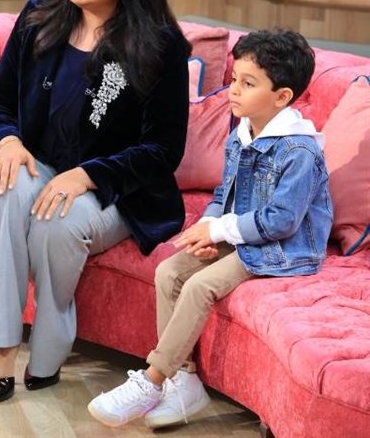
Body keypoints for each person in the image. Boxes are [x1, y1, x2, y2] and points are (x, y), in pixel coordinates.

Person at [0, 0, 190, 404]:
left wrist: (89, 175)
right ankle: (2, 345)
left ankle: (49, 351)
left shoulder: (160, 47)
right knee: (4, 186)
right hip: (40, 165)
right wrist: (7, 141)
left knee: (57, 223)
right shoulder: (38, 19)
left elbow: (164, 150)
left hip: (119, 190)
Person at [88, 29, 332, 429]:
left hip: (284, 247)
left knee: (200, 286)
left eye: (248, 84)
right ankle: (184, 381)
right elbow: (224, 194)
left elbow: (282, 221)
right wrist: (206, 227)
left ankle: (152, 380)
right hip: (242, 232)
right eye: (234, 79)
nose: (233, 90)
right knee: (169, 272)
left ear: (282, 96)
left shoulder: (299, 150)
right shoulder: (241, 134)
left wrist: (219, 232)